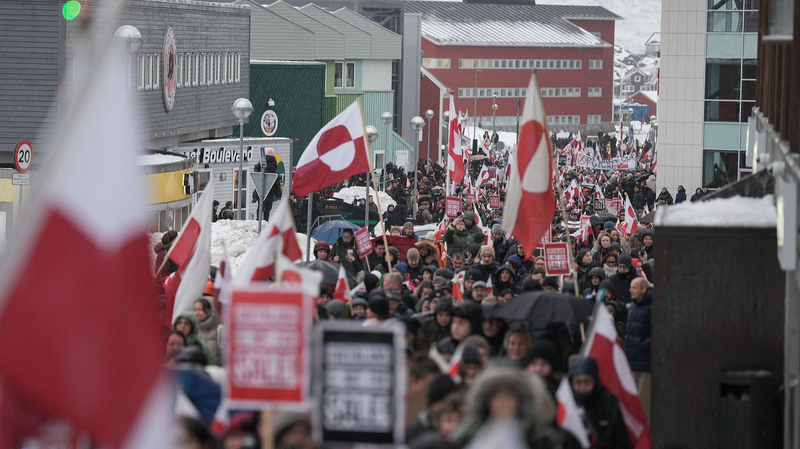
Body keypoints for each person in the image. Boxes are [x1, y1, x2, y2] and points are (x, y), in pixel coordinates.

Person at [568, 357, 632, 449]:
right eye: (578, 382)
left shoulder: (608, 402)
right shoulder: (566, 402)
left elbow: (620, 437)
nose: (583, 387)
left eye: (587, 382)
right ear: (571, 382)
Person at [624, 277, 653, 425]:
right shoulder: (634, 306)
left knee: (644, 403)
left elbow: (657, 333)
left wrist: (642, 345)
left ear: (644, 289)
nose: (630, 290)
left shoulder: (652, 307)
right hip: (633, 360)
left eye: (634, 287)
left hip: (645, 362)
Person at [193, 298, 222, 364]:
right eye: (195, 310)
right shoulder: (193, 329)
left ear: (209, 310)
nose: (197, 313)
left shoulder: (219, 329)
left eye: (200, 310)